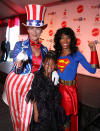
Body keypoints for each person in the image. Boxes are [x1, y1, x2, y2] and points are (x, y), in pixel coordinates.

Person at [3, 4, 59, 131]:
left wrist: (54, 71)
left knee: (30, 117)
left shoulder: (44, 49)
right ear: (27, 29)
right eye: (31, 28)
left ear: (41, 30)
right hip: (18, 83)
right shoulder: (19, 45)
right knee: (19, 117)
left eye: (38, 28)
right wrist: (18, 61)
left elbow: (46, 67)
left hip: (35, 84)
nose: (35, 31)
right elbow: (16, 70)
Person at [54, 27, 99, 131]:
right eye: (62, 38)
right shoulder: (57, 54)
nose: (65, 41)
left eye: (68, 38)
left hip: (69, 91)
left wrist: (93, 51)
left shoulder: (76, 55)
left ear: (72, 39)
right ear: (58, 40)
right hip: (58, 89)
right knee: (59, 116)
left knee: (67, 118)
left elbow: (92, 70)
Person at [26, 51, 66, 131]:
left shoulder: (55, 77)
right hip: (41, 109)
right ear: (43, 64)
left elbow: (55, 94)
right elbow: (33, 94)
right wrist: (36, 113)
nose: (49, 66)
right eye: (47, 63)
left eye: (52, 64)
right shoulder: (38, 76)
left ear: (55, 66)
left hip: (52, 109)